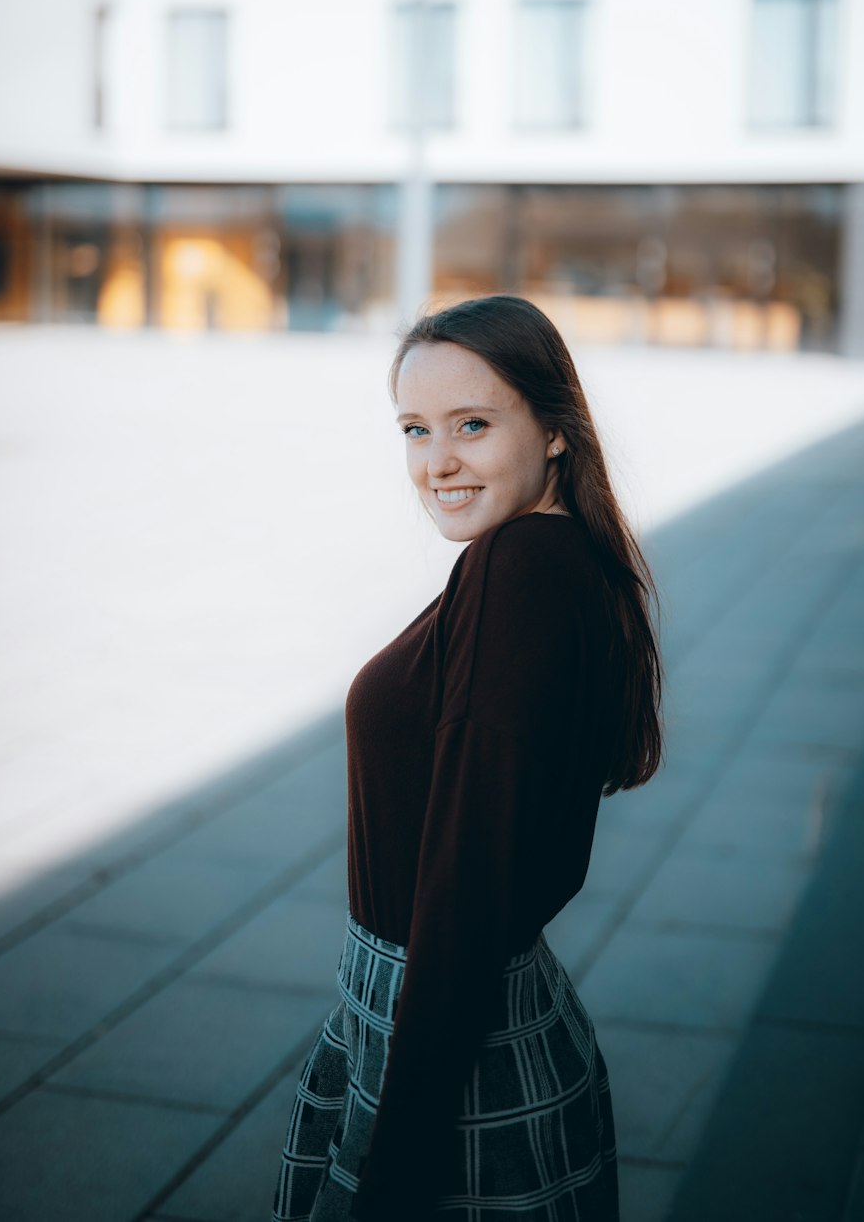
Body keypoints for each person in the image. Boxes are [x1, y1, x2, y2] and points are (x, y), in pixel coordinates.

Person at [273, 293, 664, 1221]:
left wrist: (390, 1168)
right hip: (467, 1022)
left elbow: (469, 875)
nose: (436, 461)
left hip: (450, 1047)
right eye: (415, 429)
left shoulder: (518, 570)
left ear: (556, 429)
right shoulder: (560, 560)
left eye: (473, 424)